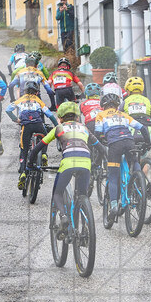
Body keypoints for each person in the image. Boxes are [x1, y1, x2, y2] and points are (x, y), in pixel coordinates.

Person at [25, 101, 102, 236]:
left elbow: (37, 148)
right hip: (85, 163)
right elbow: (101, 149)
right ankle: (84, 230)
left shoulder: (59, 128)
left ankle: (63, 216)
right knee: (82, 196)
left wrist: (30, 164)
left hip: (68, 162)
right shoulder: (84, 128)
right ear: (78, 117)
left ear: (60, 117)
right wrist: (96, 164)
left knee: (57, 192)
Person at [93, 92, 151, 221]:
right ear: (117, 105)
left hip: (114, 145)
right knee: (134, 162)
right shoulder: (123, 115)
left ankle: (114, 205)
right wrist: (148, 143)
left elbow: (97, 133)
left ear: (103, 106)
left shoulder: (101, 115)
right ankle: (138, 182)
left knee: (113, 176)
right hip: (129, 141)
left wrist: (101, 143)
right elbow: (143, 128)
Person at [5, 81, 57, 189]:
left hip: (26, 126)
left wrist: (16, 120)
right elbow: (49, 114)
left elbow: (8, 110)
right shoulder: (38, 100)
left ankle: (23, 173)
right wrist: (57, 125)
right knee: (45, 137)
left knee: (24, 150)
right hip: (38, 124)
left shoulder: (21, 99)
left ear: (25, 91)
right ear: (37, 92)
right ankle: (43, 154)